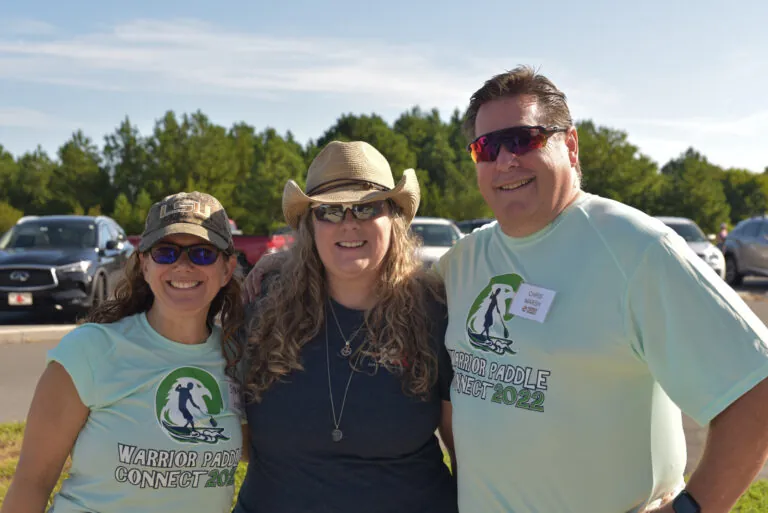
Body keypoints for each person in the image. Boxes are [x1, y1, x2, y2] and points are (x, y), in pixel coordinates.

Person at [433, 66, 768, 512]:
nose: (505, 160)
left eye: (523, 140)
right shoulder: (461, 263)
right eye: (487, 147)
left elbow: (755, 388)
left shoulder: (637, 249)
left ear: (569, 145)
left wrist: (691, 508)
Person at [233, 141, 458, 513]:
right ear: (310, 225)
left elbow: (464, 453)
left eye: (367, 207)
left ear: (394, 218)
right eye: (330, 212)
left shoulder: (435, 312)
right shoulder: (261, 303)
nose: (350, 222)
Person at [2, 192, 245, 513]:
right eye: (165, 252)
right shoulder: (89, 350)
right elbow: (31, 483)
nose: (182, 265)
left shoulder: (237, 357)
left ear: (227, 270)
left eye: (202, 254)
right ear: (144, 264)